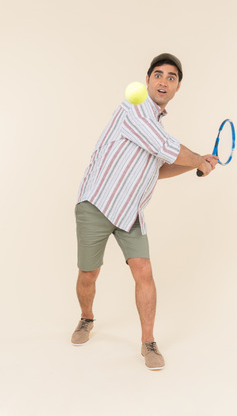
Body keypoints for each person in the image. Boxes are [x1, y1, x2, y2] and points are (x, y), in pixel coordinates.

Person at [71, 53, 218, 370]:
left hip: (129, 213)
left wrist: (197, 164)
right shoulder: (134, 108)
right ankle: (86, 318)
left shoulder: (155, 126)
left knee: (144, 273)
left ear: (178, 87)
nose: (164, 81)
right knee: (88, 274)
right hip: (96, 204)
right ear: (148, 79)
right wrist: (198, 161)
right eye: (159, 74)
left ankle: (148, 343)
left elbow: (159, 168)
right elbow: (165, 146)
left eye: (172, 77)